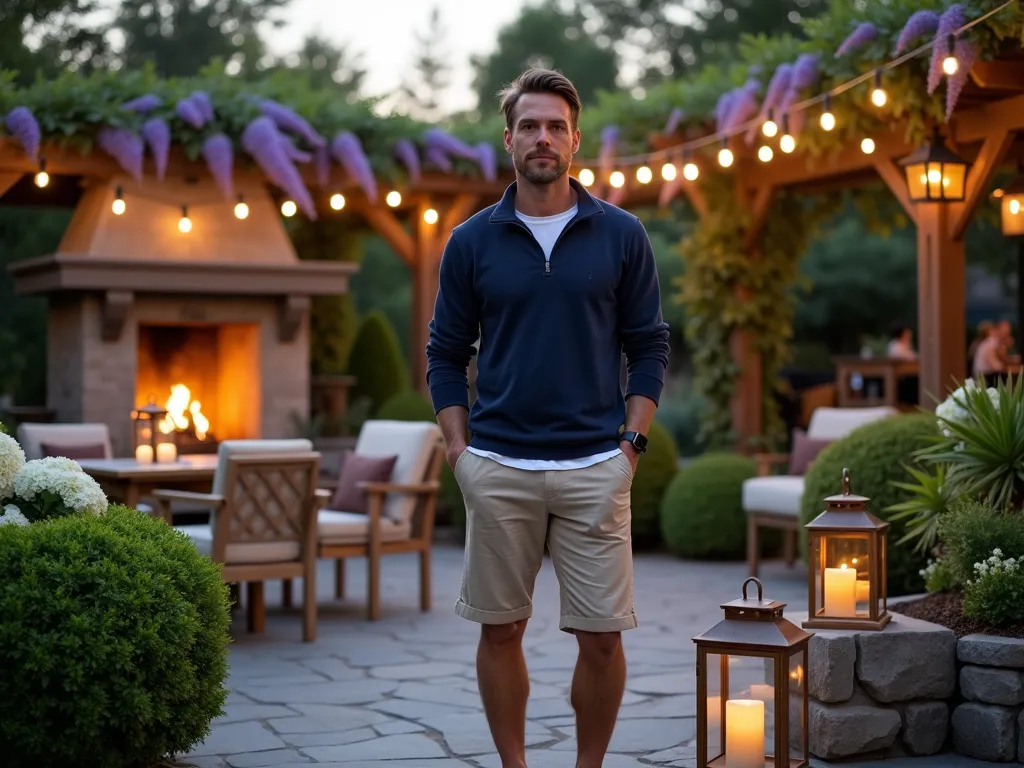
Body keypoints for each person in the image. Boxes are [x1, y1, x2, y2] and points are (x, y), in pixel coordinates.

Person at [425, 68, 670, 768]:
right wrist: (460, 451)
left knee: (602, 640)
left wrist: (631, 443)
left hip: (597, 463)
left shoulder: (621, 233)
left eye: (555, 126)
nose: (543, 137)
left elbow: (649, 342)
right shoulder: (472, 242)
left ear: (575, 140)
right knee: (501, 633)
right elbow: (445, 352)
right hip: (499, 465)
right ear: (508, 140)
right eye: (529, 125)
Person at [973, 319, 1012, 386]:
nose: (1007, 334)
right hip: (985, 377)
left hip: (982, 375)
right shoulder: (992, 342)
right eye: (1005, 331)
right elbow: (994, 364)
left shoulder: (988, 342)